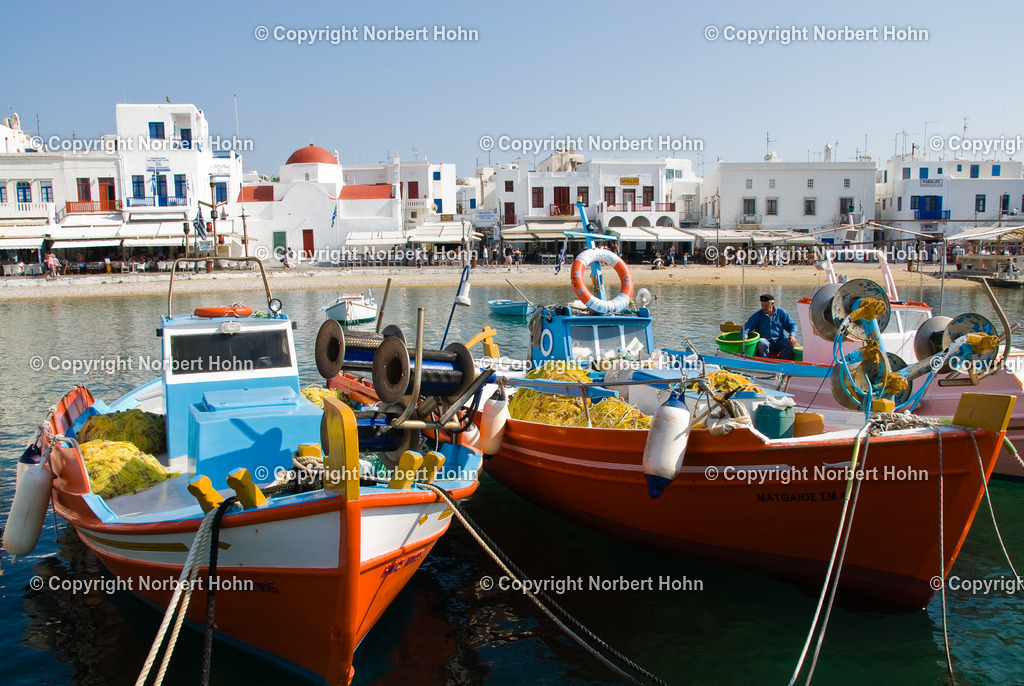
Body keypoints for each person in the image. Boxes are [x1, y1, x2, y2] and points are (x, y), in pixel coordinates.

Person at [744, 294, 797, 360]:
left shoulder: (781, 312)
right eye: (762, 305)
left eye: (766, 305)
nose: (763, 307)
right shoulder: (757, 315)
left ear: (772, 304)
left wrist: (792, 335)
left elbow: (792, 325)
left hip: (780, 340)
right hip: (766, 341)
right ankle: (767, 361)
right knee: (761, 341)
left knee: (791, 343)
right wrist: (745, 336)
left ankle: (781, 360)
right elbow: (746, 327)